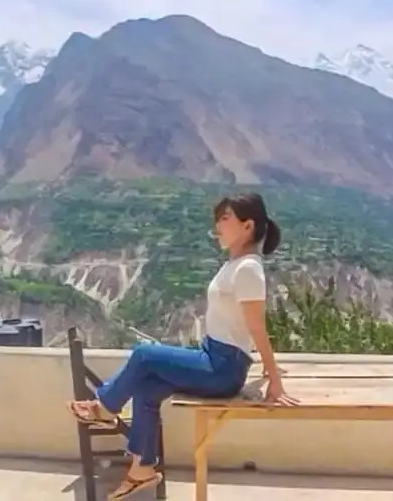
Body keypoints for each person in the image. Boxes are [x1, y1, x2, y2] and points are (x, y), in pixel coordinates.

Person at [67, 192, 300, 499]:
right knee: (147, 387)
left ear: (248, 226)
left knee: (143, 354)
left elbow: (256, 326)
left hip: (223, 368)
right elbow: (240, 328)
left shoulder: (248, 269)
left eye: (225, 218)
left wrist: (275, 379)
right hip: (213, 357)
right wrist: (267, 372)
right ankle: (142, 469)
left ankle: (105, 407)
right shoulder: (236, 265)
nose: (218, 226)